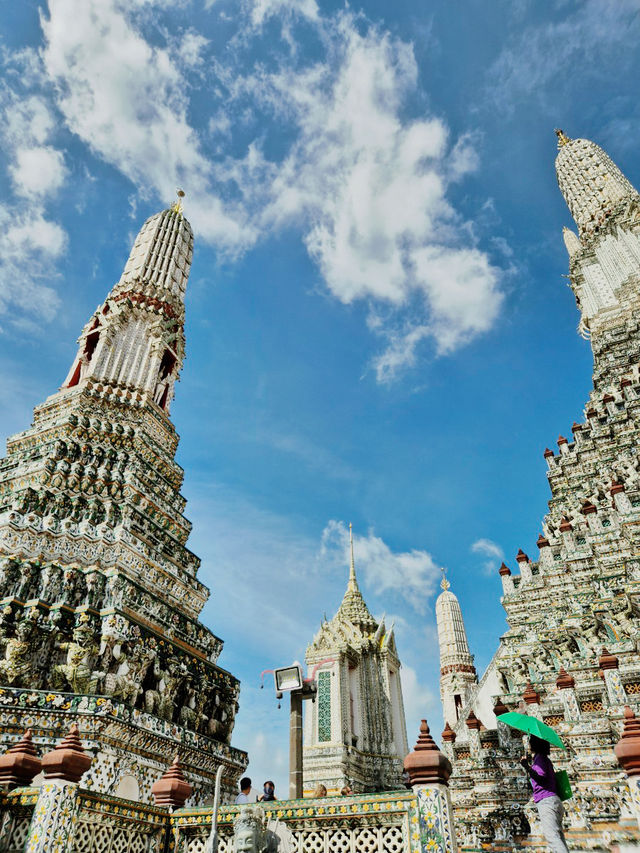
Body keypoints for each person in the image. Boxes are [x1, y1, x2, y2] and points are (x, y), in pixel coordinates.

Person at [520, 734, 569, 853]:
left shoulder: (540, 758)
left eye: (531, 742)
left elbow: (541, 777)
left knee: (552, 837)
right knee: (558, 837)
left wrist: (527, 767)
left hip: (547, 802)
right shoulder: (542, 759)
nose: (529, 744)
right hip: (552, 799)